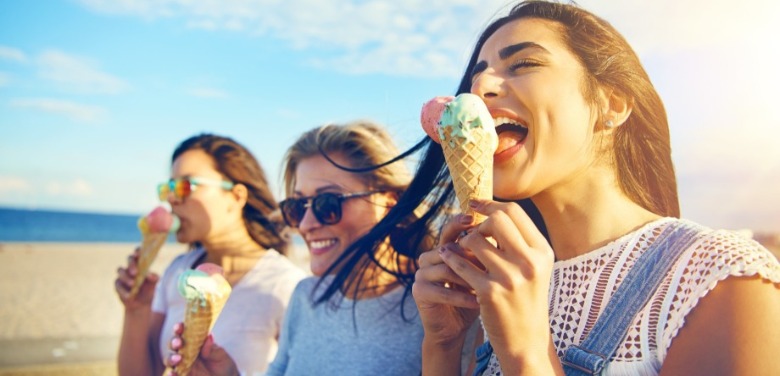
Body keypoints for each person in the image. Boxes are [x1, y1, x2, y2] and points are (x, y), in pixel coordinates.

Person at [351, 1, 780, 375]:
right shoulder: (499, 280)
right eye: (475, 77)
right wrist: (442, 346)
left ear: (612, 104)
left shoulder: (720, 279)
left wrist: (526, 353)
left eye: (523, 64)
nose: (479, 89)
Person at [168, 121, 435, 375]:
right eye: (297, 207)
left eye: (327, 203)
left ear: (389, 203)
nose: (306, 225)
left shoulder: (437, 308)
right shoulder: (306, 297)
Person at [114, 133, 307, 375]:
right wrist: (136, 309)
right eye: (168, 188)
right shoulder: (178, 271)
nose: (172, 199)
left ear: (236, 196)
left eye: (186, 186)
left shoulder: (284, 285)